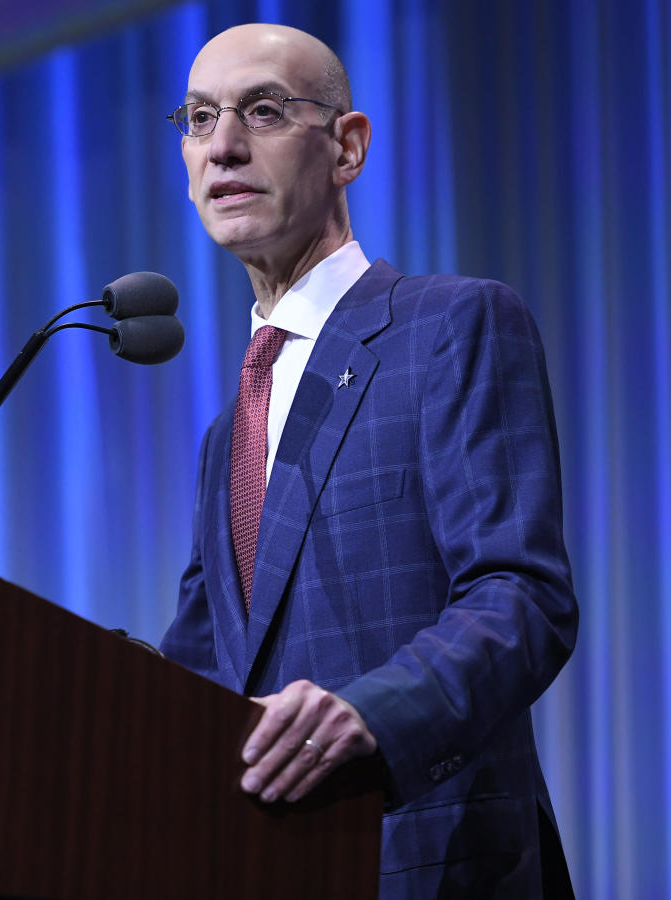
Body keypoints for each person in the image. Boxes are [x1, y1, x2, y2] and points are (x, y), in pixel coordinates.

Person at [158, 23, 578, 898]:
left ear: (346, 147)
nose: (222, 145)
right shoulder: (226, 432)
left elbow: (522, 596)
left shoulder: (450, 326)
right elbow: (203, 676)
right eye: (199, 119)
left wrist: (370, 715)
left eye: (262, 110)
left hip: (427, 862)